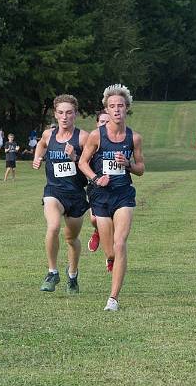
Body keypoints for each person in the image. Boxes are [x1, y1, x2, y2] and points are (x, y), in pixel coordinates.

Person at [79, 84, 145, 312]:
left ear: (127, 108)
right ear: (106, 108)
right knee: (110, 251)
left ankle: (113, 299)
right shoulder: (97, 135)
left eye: (120, 106)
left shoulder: (133, 138)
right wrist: (96, 179)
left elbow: (141, 169)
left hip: (123, 194)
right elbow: (82, 163)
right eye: (112, 106)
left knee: (120, 243)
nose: (116, 110)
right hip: (100, 195)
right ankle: (109, 258)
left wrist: (128, 164)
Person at [33, 94, 90, 295]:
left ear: (75, 114)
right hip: (54, 191)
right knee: (53, 226)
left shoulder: (83, 138)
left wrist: (75, 157)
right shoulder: (49, 135)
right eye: (60, 113)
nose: (64, 117)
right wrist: (37, 158)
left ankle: (72, 274)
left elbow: (91, 168)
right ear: (55, 114)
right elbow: (40, 145)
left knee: (71, 239)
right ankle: (52, 272)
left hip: (75, 195)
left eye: (69, 113)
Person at [87, 110, 111, 253]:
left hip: (115, 186)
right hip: (95, 185)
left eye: (108, 122)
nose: (105, 124)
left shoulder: (118, 139)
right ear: (97, 123)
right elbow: (81, 161)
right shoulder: (92, 138)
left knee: (113, 222)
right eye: (102, 122)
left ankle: (111, 256)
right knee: (95, 219)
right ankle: (97, 231)